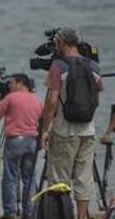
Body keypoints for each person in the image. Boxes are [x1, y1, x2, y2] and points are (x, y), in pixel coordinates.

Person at [40, 27, 102, 219]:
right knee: (84, 178)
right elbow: (97, 99)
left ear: (62, 43)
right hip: (88, 129)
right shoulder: (94, 66)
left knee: (59, 178)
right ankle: (82, 217)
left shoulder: (58, 66)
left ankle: (62, 215)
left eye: (57, 42)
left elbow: (51, 102)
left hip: (64, 131)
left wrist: (45, 129)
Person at [0, 73, 43, 219]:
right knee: (30, 179)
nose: (9, 86)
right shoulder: (37, 100)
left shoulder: (10, 97)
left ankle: (10, 212)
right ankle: (30, 212)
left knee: (10, 178)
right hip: (32, 141)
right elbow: (42, 119)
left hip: (15, 141)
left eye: (11, 83)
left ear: (20, 83)